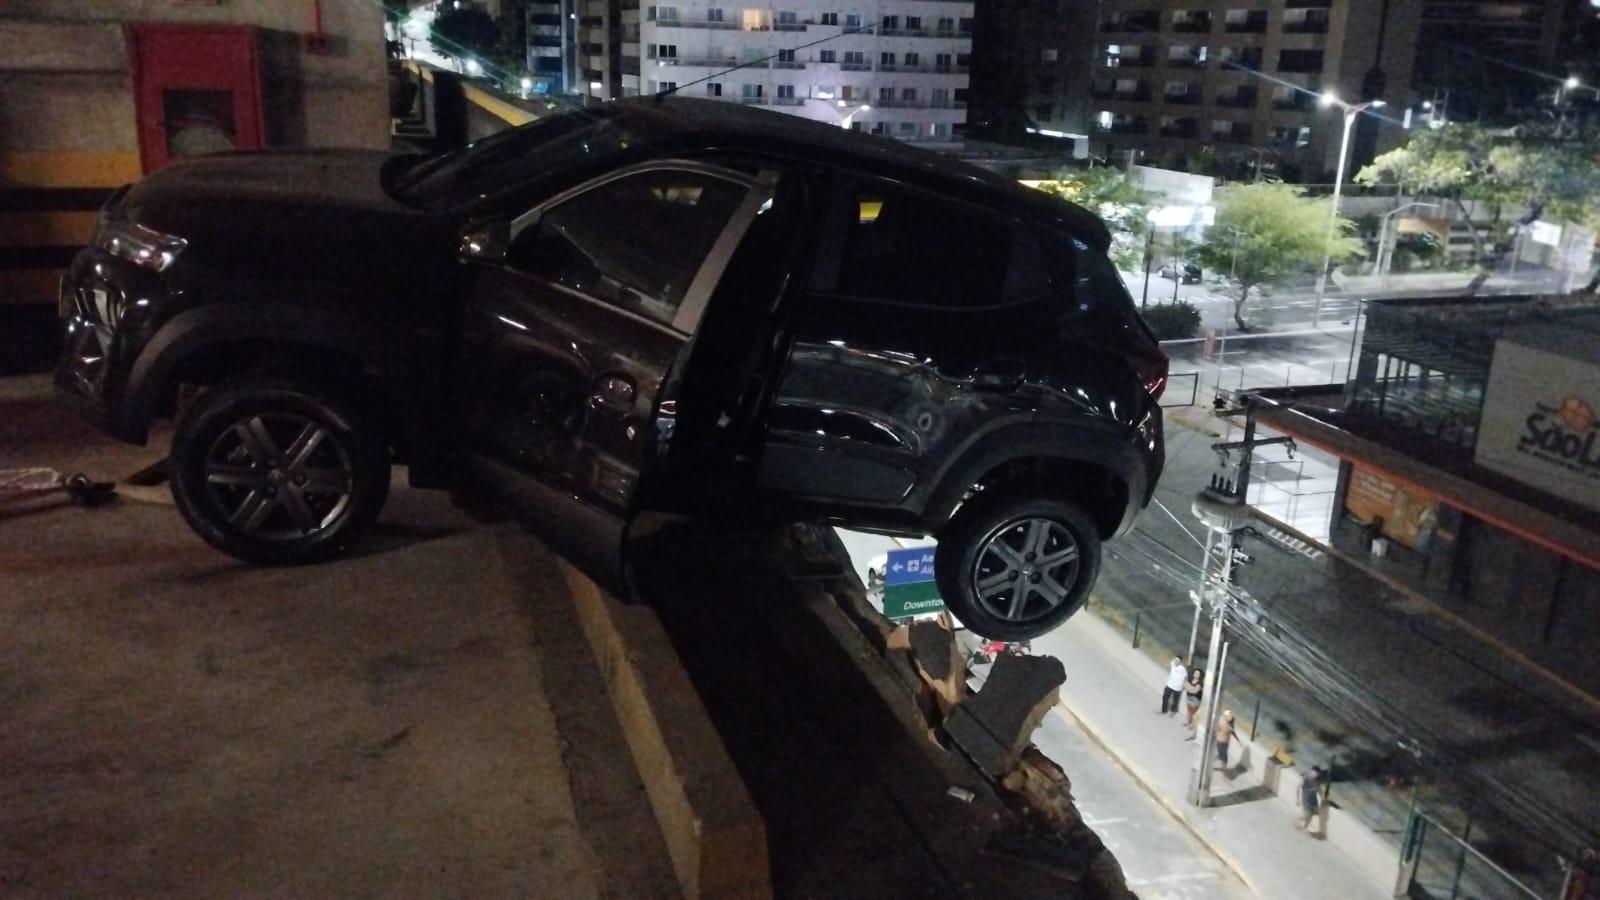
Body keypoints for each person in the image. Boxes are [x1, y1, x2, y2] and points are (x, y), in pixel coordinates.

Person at [1297, 766, 1326, 834]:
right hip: (1306, 800)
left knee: (1312, 814)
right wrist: (1297, 799)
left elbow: (1319, 790)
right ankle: (1301, 822)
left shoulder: (1317, 781)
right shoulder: (1306, 779)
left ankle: (1305, 826)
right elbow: (1298, 787)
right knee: (1308, 814)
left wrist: (1323, 798)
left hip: (1313, 800)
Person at [1214, 710, 1236, 781]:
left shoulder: (1229, 724)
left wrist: (1238, 741)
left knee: (1220, 757)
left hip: (1224, 744)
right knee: (1224, 761)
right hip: (1221, 743)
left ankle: (1210, 763)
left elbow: (1232, 731)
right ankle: (1225, 777)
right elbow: (1217, 729)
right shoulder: (1223, 723)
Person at [1182, 667, 1204, 732]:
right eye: (1195, 673)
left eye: (1198, 674)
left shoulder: (1200, 683)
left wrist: (1188, 687)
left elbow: (1194, 691)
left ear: (1200, 676)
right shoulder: (1190, 679)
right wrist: (1190, 688)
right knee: (1189, 710)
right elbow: (1185, 686)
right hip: (1188, 697)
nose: (1196, 674)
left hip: (1196, 699)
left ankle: (1192, 724)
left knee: (1194, 712)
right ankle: (1188, 721)